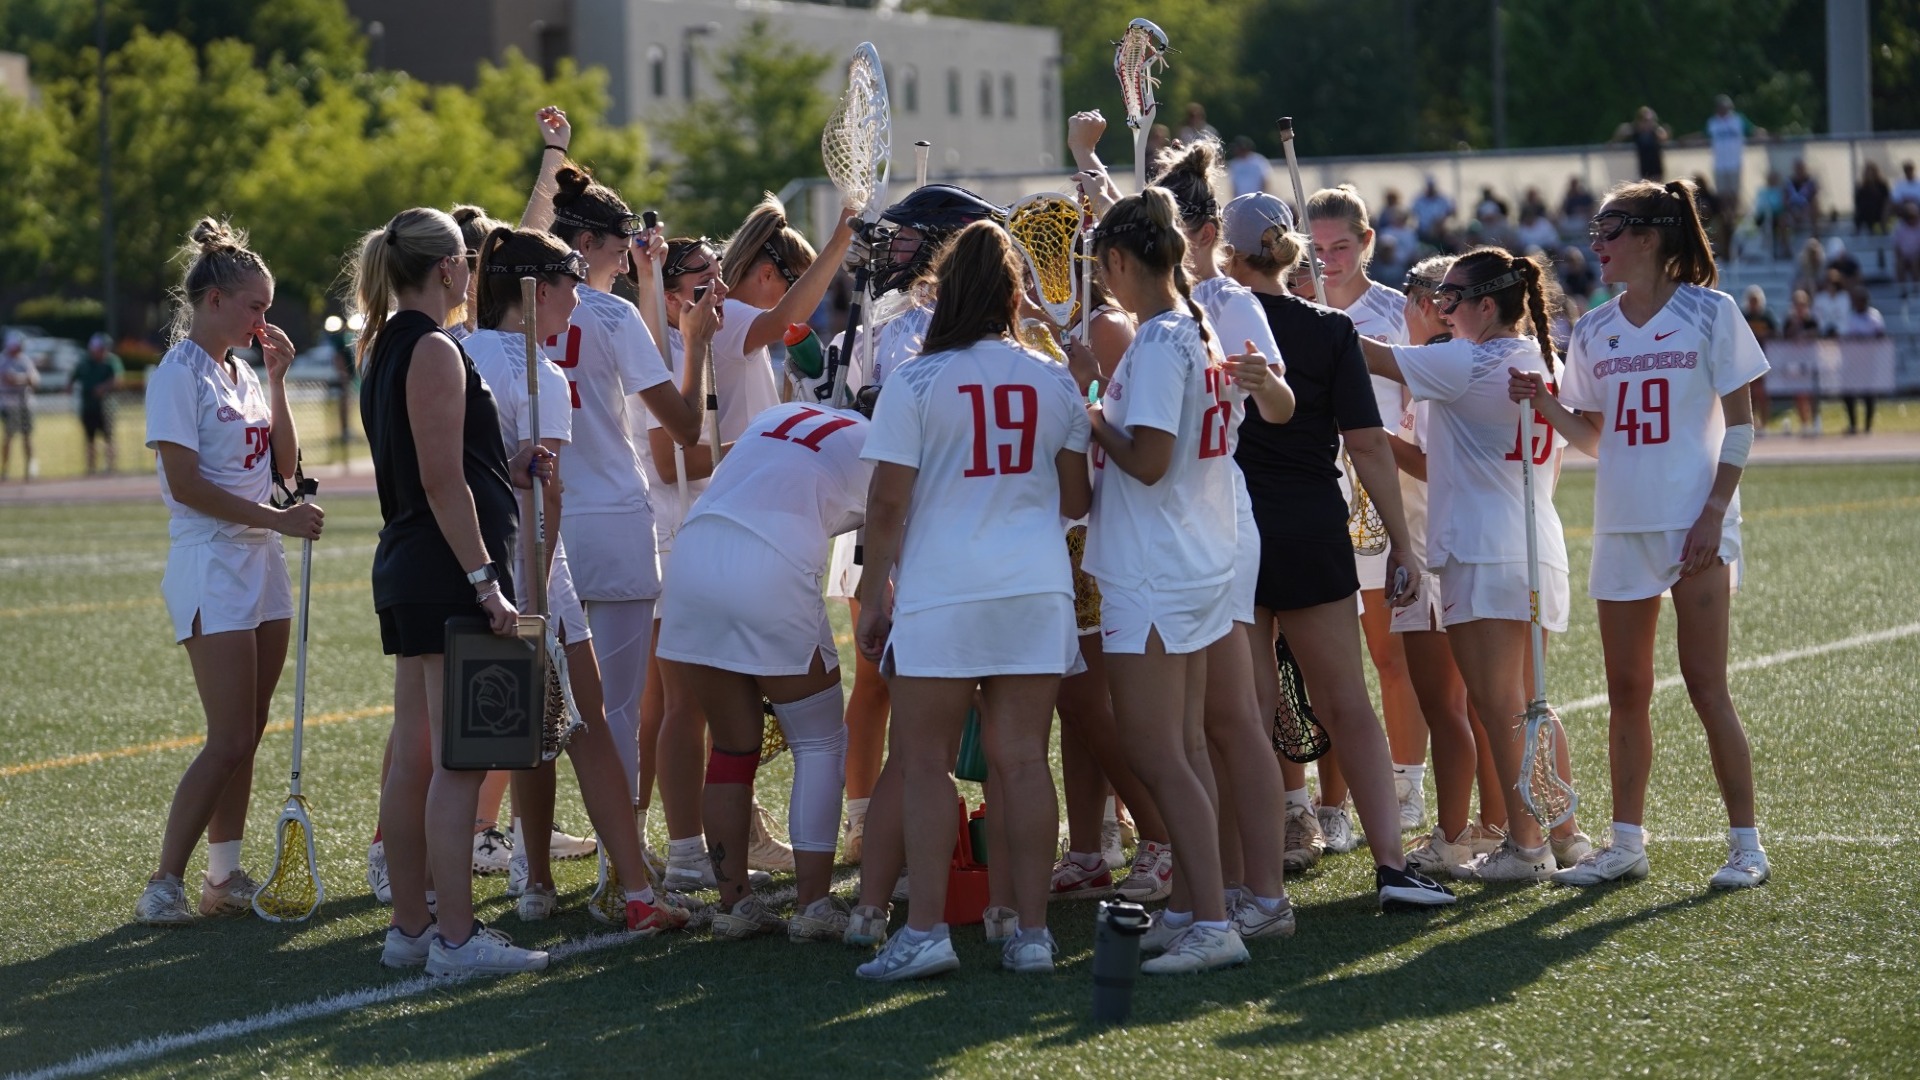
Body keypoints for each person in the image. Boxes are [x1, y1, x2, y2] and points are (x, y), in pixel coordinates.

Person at [1511, 178, 1772, 890]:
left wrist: (1714, 512)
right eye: (1595, 232)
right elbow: (1595, 437)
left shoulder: (1711, 311)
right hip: (1623, 523)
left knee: (1706, 686)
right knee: (1626, 690)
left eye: (1610, 231)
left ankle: (1746, 845)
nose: (1596, 245)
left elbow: (1742, 425)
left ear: (1651, 237)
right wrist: (1544, 404)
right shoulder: (1595, 328)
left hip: (1694, 524)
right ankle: (1627, 842)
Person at [852, 221, 1092, 979]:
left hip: (943, 590)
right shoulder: (1054, 379)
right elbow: (1077, 498)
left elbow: (887, 505)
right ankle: (1031, 935)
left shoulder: (917, 380)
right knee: (1023, 761)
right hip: (1034, 587)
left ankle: (925, 932)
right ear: (1014, 295)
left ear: (947, 291)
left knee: (924, 762)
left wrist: (870, 596)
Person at [1220, 191, 1458, 909]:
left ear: (1230, 254)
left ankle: (1249, 881)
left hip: (1229, 527)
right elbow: (1368, 446)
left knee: (1246, 713)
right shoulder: (1329, 328)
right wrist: (1400, 543)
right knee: (1347, 701)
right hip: (1310, 524)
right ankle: (1392, 866)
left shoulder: (1204, 324)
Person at [459, 225, 683, 928]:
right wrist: (534, 591)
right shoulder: (539, 373)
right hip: (532, 571)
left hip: (469, 567)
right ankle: (635, 890)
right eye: (571, 285)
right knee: (586, 727)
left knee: (507, 735)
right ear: (539, 290)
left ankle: (521, 885)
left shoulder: (454, 350)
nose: (579, 301)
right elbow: (544, 493)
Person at [353, 207, 544, 974]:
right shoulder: (431, 346)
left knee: (419, 757)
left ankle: (411, 929)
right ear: (446, 268)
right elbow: (439, 480)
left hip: (416, 567)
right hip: (444, 570)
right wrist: (486, 582)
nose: (471, 270)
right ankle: (456, 939)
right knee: (460, 760)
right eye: (465, 258)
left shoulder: (389, 346)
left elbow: (443, 461)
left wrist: (505, 466)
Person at [1359, 246, 1589, 883]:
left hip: (1482, 548)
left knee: (1499, 705)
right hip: (1534, 541)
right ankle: (1562, 833)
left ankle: (1528, 845)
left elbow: (1366, 354)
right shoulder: (1539, 355)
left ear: (1487, 307)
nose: (1440, 308)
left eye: (1451, 298)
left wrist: (1312, 316)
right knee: (1531, 701)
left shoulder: (1465, 358)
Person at [520, 152, 711, 901]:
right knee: (619, 712)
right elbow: (684, 426)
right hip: (613, 518)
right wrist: (696, 343)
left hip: (536, 525)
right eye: (620, 242)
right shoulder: (612, 315)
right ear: (589, 244)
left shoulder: (506, 320)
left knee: (533, 711)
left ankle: (533, 875)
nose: (631, 254)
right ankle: (618, 872)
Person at [133, 219, 320, 927]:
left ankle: (223, 876)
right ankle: (163, 882)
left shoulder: (241, 372)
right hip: (210, 557)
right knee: (230, 736)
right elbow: (185, 485)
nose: (263, 320)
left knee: (251, 729)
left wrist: (278, 380)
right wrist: (275, 519)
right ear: (213, 300)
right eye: (254, 306)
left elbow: (284, 467)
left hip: (261, 558)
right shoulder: (177, 374)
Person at [1081, 189, 1249, 975]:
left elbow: (1147, 461)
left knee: (1157, 751)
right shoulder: (1193, 328)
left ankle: (1213, 920)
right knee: (1183, 746)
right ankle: (1191, 905)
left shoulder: (1156, 341)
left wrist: (1089, 413)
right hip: (1192, 555)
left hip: (1156, 564)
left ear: (1119, 260)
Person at [1147, 144, 1301, 941]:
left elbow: (1280, 406)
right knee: (1198, 726)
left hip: (1214, 516)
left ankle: (1263, 893)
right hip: (1178, 521)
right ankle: (1224, 886)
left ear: (1202, 232)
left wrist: (1264, 381)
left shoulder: (1226, 301)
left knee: (1230, 717)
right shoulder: (1161, 307)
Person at [656, 391, 875, 944]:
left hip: (694, 554)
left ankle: (734, 905)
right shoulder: (881, 443)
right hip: (770, 565)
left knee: (732, 747)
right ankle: (814, 904)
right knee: (820, 742)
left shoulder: (780, 414)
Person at [1304, 183, 1430, 840]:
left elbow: (1415, 405)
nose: (1329, 260)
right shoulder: (1295, 308)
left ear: (1368, 242)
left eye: (1341, 247)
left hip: (1384, 504)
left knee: (1390, 656)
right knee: (1326, 666)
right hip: (1315, 498)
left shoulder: (1393, 312)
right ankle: (1331, 802)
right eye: (1317, 248)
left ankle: (1407, 784)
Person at [1394, 254, 1512, 876]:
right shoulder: (1460, 360)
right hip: (1448, 542)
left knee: (1458, 705)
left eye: (1431, 297)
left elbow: (1427, 462)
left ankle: (1466, 831)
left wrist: (1366, 437)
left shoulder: (1448, 363)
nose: (1421, 307)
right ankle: (1494, 827)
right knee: (1478, 703)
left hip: (1437, 544)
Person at [1701, 94, 1763, 224]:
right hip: (1719, 164)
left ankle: (1733, 218)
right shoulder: (1713, 122)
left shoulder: (1738, 120)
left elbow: (1753, 131)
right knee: (1722, 194)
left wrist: (1766, 134)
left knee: (1734, 193)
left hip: (1734, 163)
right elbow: (1703, 136)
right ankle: (1725, 219)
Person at [70, 334, 122, 475]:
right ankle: (91, 468)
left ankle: (111, 467)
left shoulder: (111, 362)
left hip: (106, 407)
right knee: (90, 439)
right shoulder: (84, 363)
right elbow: (73, 377)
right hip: (89, 407)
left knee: (109, 438)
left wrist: (103, 388)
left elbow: (117, 379)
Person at [1838, 287, 1886, 436]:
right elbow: (1846, 337)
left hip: (1869, 360)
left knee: (1869, 394)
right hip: (1853, 361)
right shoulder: (1851, 317)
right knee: (1848, 392)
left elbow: (1880, 335)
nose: (1859, 303)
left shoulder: (1874, 316)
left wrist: (1867, 340)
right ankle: (1853, 425)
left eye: (1861, 300)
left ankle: (1867, 427)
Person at [1779, 288, 1823, 436]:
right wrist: (1795, 325)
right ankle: (1804, 423)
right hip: (1795, 361)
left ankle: (1815, 421)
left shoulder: (1811, 320)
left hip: (1810, 361)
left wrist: (1804, 334)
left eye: (1802, 304)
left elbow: (1816, 334)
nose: (1800, 307)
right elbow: (1786, 336)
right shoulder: (1789, 321)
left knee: (1812, 393)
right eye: (1797, 304)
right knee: (1799, 393)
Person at [0, 331, 36, 481]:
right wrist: (24, 379)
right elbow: (9, 379)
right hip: (9, 405)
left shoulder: (25, 360)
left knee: (27, 436)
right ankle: (5, 469)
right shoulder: (3, 360)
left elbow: (34, 380)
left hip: (25, 404)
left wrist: (20, 379)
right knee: (8, 437)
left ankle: (30, 468)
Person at [1741, 285, 1777, 432]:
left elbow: (1776, 334)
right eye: (1751, 300)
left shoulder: (1767, 317)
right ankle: (1752, 423)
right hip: (1748, 360)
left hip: (1765, 358)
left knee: (1762, 393)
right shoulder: (1744, 317)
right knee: (1750, 395)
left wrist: (1764, 336)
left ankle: (1764, 424)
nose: (1753, 304)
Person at [1611, 107, 1669, 181]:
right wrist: (1615, 141)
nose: (1648, 124)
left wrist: (1657, 128)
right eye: (1645, 121)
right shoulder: (1636, 131)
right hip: (1644, 169)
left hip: (1656, 168)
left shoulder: (1654, 132)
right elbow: (1623, 129)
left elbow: (1664, 137)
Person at [1412, 178, 1455, 245]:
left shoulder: (1443, 199)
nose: (1431, 189)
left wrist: (1441, 222)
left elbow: (1452, 212)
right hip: (1423, 232)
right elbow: (1412, 213)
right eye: (1429, 186)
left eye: (1432, 186)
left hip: (1440, 232)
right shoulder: (1419, 199)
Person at [1783, 159, 1819, 236]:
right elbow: (1785, 199)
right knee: (1782, 217)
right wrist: (1792, 213)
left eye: (1801, 168)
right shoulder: (1789, 182)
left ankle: (1815, 235)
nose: (1799, 171)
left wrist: (1804, 212)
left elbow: (1814, 197)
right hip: (1793, 208)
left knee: (1814, 205)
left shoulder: (1810, 182)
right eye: (1797, 169)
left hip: (1806, 208)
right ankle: (1785, 243)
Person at [1854, 163, 1892, 235]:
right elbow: (1858, 202)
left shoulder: (1882, 185)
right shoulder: (1862, 187)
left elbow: (1887, 200)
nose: (1870, 175)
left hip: (1879, 211)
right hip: (1866, 212)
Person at [1894, 202, 1920, 299]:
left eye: (1913, 216)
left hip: (1918, 257)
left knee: (1915, 262)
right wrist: (1901, 257)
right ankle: (1903, 290)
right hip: (1905, 257)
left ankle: (1916, 289)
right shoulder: (1899, 227)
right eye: (1909, 217)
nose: (1912, 219)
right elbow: (1897, 247)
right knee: (1899, 264)